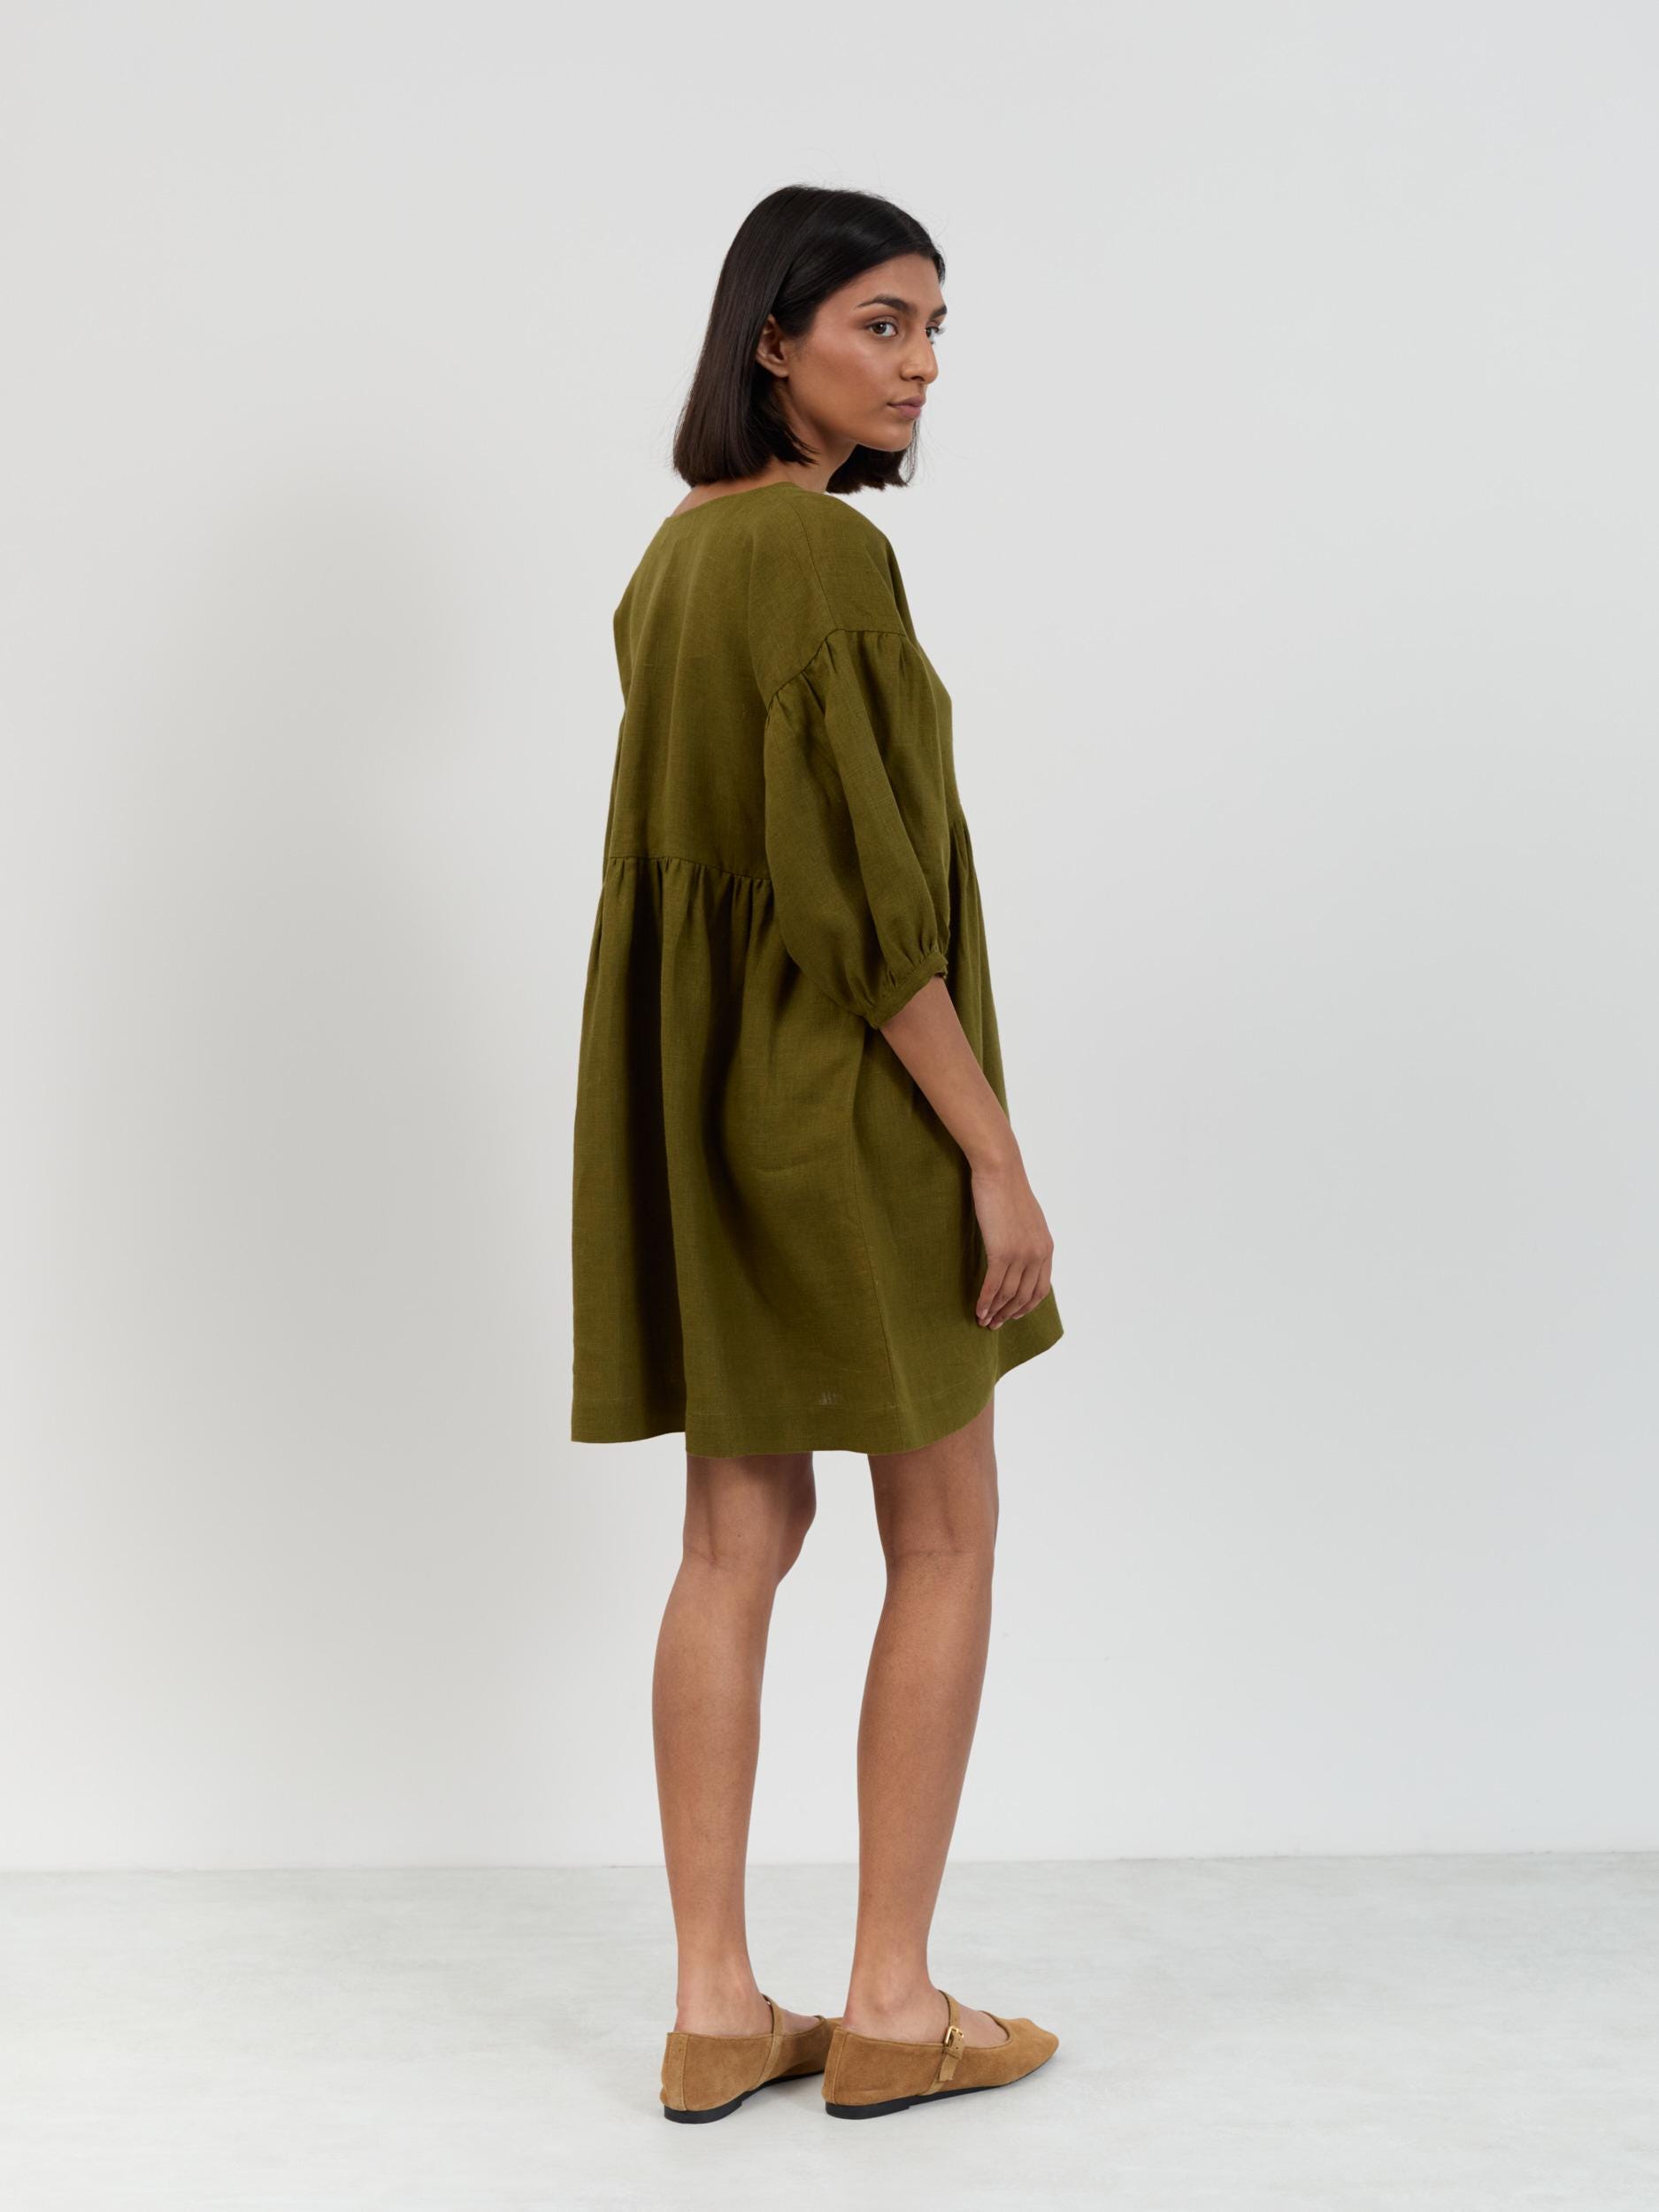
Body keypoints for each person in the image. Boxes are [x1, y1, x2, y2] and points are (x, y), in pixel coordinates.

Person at [570, 184, 1064, 2121]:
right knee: (942, 1531)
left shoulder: (674, 559)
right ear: (769, 340)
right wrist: (991, 1149)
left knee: (730, 1540)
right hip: (846, 1105)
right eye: (880, 321)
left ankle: (714, 2006)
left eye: (934, 327)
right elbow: (862, 914)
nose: (919, 363)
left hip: (709, 1106)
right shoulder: (820, 558)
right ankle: (888, 2001)